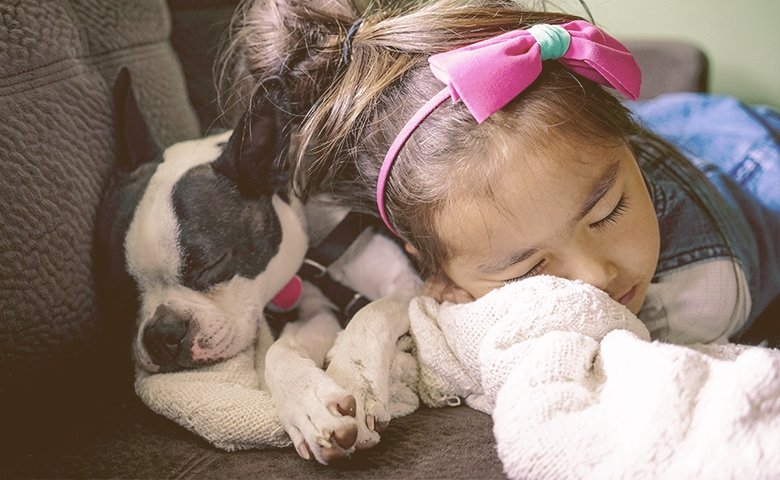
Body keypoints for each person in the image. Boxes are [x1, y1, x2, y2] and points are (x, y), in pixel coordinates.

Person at [228, 0, 780, 344]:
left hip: (750, 153)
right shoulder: (425, 222)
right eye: (526, 268)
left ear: (625, 145)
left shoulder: (703, 293)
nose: (595, 276)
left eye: (610, 210)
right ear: (436, 270)